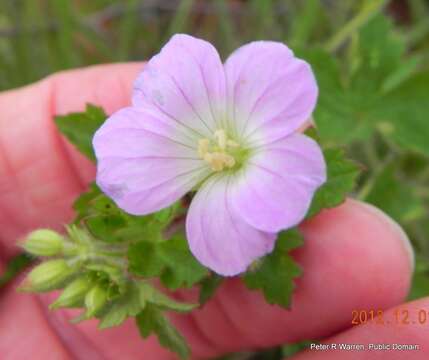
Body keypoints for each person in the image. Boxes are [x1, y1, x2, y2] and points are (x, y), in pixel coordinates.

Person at [0, 63, 426, 360]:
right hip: (217, 183)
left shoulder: (254, 119)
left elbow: (284, 168)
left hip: (256, 153)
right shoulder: (193, 186)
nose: (216, 153)